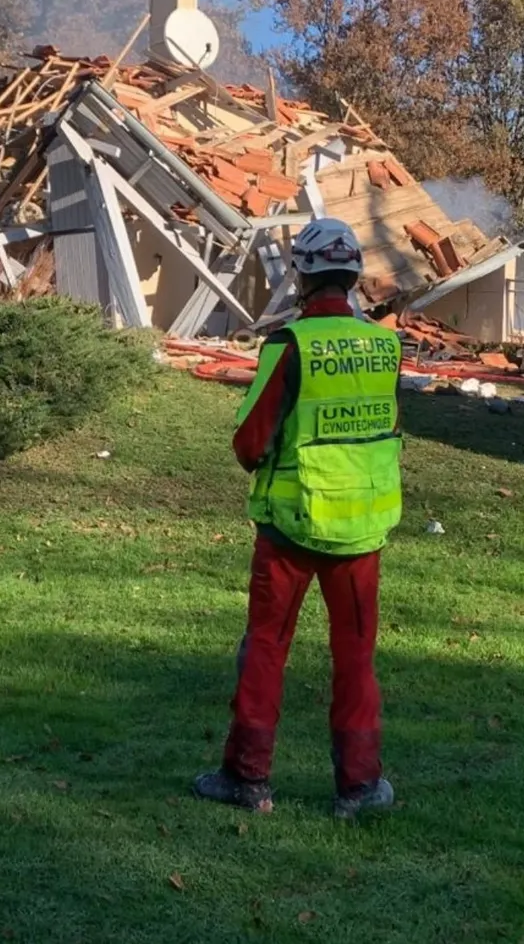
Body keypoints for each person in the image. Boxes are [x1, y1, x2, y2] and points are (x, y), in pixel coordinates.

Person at [193, 218, 402, 820]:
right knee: (356, 657)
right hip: (362, 532)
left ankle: (246, 778)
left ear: (303, 278)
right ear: (354, 275)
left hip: (289, 527)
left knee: (267, 648)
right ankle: (359, 788)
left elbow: (250, 445)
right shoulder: (384, 346)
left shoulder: (291, 346)